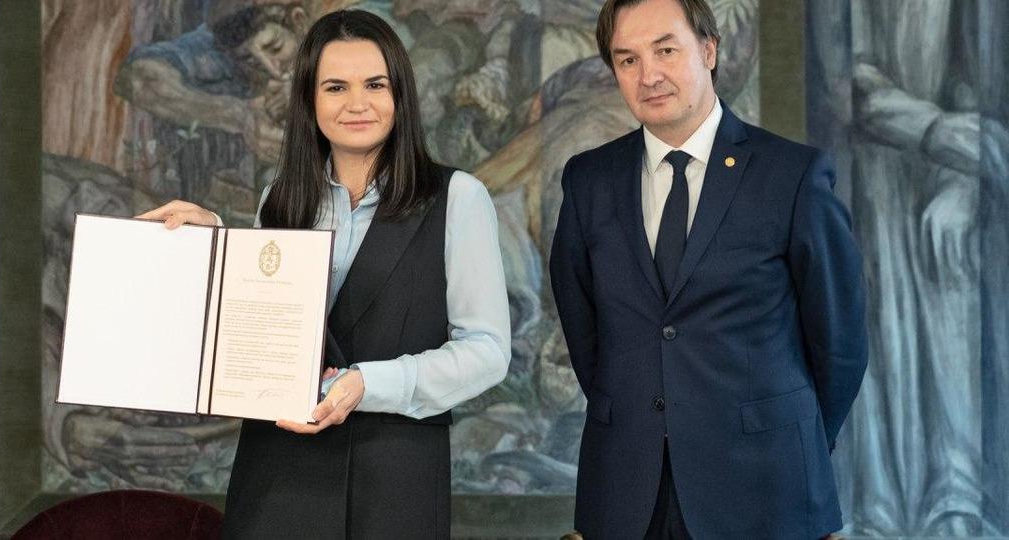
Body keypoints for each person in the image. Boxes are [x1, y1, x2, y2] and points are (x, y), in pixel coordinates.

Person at [138, 9, 511, 538]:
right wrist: (212, 247)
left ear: (400, 95)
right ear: (309, 101)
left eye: (375, 85)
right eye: (336, 87)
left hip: (394, 480)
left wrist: (369, 384)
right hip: (275, 473)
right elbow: (259, 329)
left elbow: (487, 351)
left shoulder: (458, 198)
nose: (357, 103)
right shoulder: (280, 197)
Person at [548, 0, 867, 538]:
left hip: (767, 489)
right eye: (627, 60)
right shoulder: (588, 180)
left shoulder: (793, 175)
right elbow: (586, 337)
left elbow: (841, 344)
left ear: (709, 50)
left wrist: (792, 438)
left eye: (665, 50)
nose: (648, 75)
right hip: (629, 493)